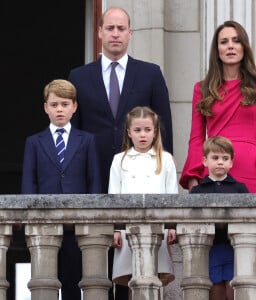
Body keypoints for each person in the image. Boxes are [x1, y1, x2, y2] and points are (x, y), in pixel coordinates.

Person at [68, 6, 173, 300]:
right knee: (93, 261)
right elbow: (74, 135)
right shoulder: (79, 76)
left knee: (137, 267)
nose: (115, 34)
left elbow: (164, 132)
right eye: (110, 28)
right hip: (93, 180)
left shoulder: (150, 74)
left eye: (121, 28)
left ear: (130, 34)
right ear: (100, 32)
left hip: (140, 181)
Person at [179, 20, 256, 298]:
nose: (230, 46)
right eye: (224, 41)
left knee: (248, 254)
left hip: (250, 174)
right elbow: (196, 138)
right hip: (212, 176)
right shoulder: (201, 88)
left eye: (236, 40)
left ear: (244, 46)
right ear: (216, 50)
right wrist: (193, 179)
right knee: (215, 258)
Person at [21, 79, 101, 300]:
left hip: (77, 226)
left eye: (65, 104)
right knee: (44, 280)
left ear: (74, 107)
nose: (59, 109)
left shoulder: (87, 140)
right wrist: (31, 219)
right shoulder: (34, 142)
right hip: (44, 224)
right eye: (54, 104)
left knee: (74, 280)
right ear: (46, 107)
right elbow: (29, 183)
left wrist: (92, 220)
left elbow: (93, 181)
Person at [108, 106, 177, 300]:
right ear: (129, 132)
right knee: (132, 278)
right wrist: (115, 228)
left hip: (158, 227)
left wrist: (172, 225)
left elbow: (172, 195)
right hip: (127, 228)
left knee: (155, 276)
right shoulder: (119, 160)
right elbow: (113, 196)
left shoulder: (166, 159)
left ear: (155, 131)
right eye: (137, 130)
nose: (143, 135)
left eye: (147, 130)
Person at [190, 136, 248, 300]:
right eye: (215, 158)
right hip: (210, 249)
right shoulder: (198, 191)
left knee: (233, 288)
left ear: (231, 162)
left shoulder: (239, 189)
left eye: (225, 158)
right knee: (215, 290)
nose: (220, 162)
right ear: (205, 161)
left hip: (234, 248)